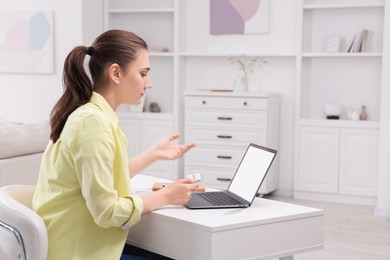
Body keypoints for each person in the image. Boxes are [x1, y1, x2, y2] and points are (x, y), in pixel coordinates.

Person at [32, 29, 199, 260]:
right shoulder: (92, 123)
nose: (148, 83)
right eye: (143, 74)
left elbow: (101, 178)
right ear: (116, 73)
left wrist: (154, 154)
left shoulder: (90, 114)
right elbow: (106, 211)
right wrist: (167, 196)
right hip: (76, 252)